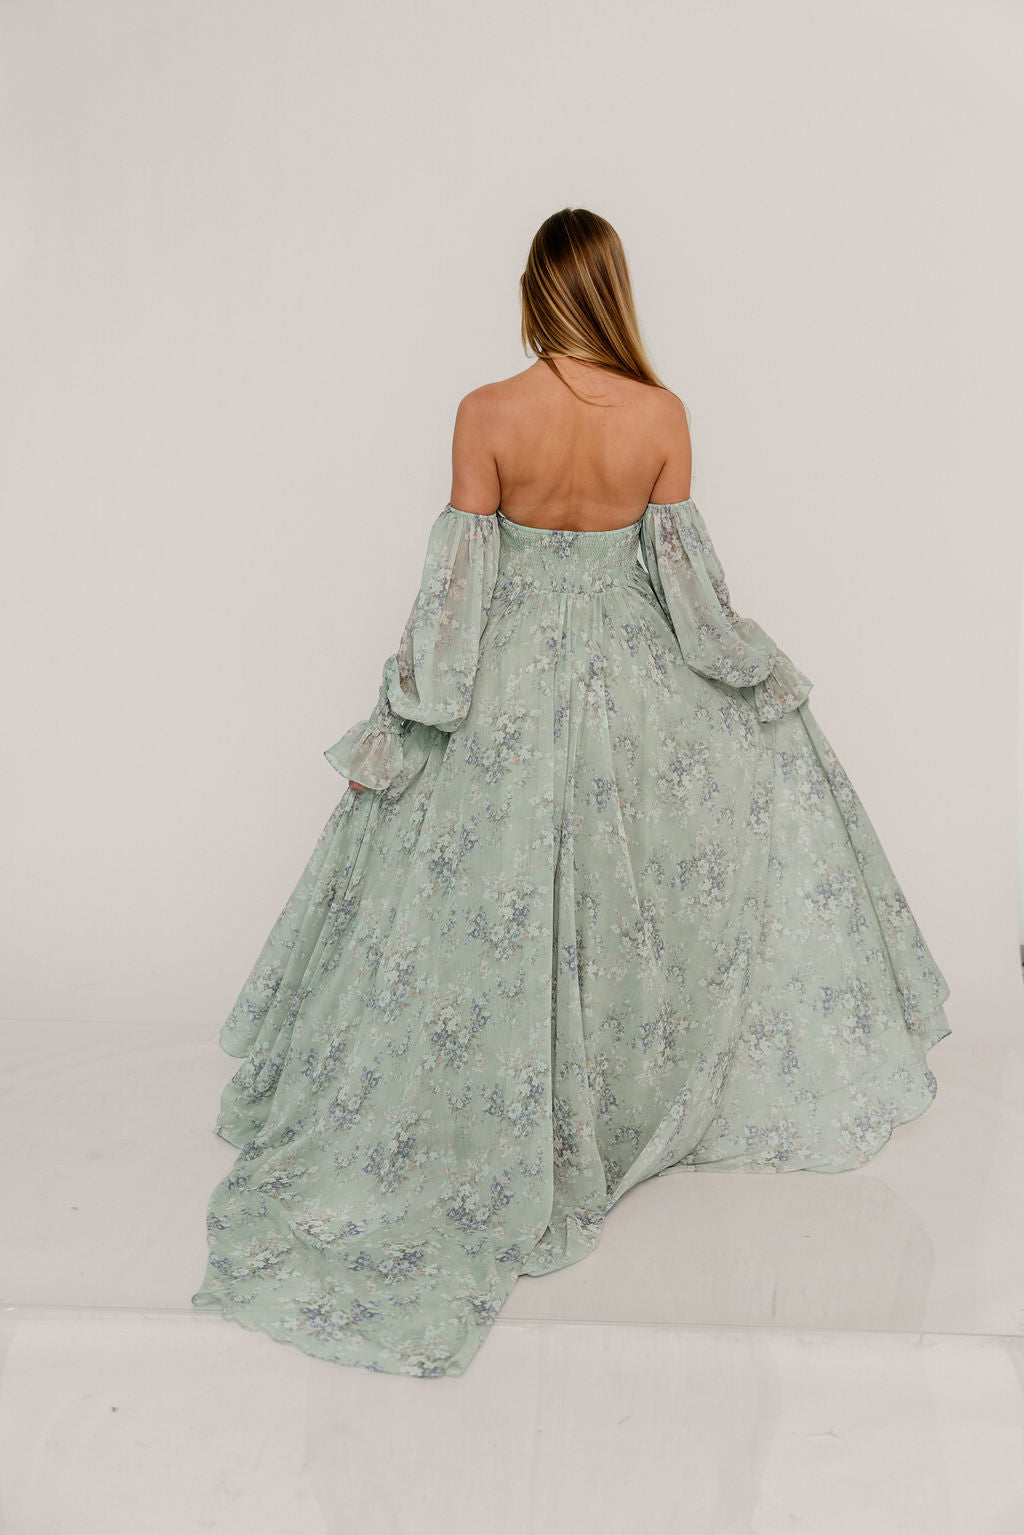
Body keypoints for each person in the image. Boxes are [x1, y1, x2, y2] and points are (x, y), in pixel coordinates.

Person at [191, 207, 951, 1378]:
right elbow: (692, 600)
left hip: (507, 689)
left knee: (496, 900)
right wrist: (753, 673)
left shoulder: (486, 412)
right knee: (615, 896)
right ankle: (607, 1095)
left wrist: (412, 710)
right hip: (632, 695)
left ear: (533, 291)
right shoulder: (661, 415)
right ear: (611, 290)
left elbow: (456, 591)